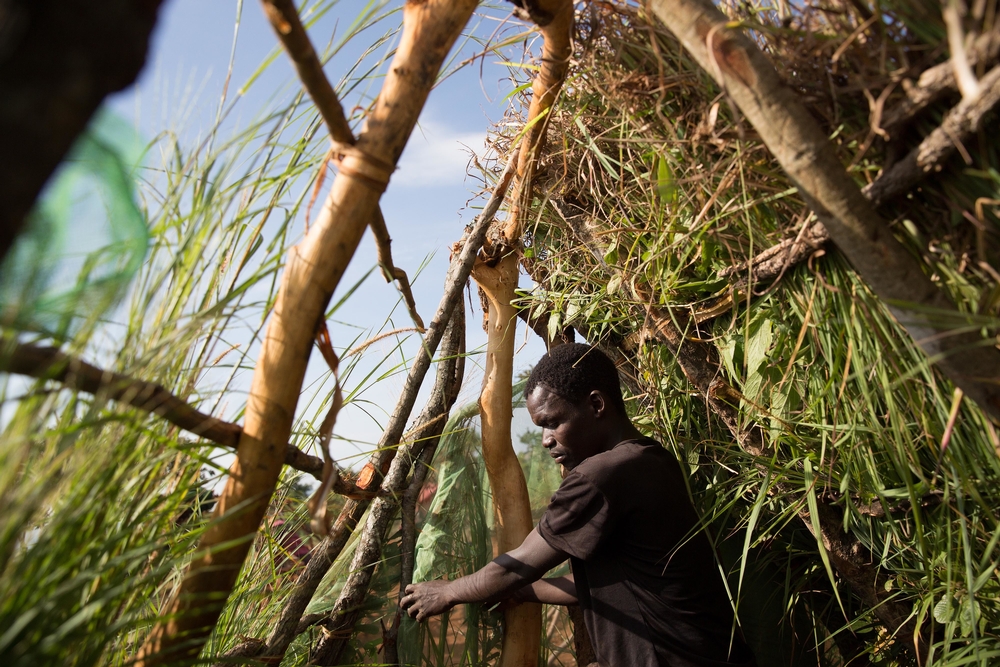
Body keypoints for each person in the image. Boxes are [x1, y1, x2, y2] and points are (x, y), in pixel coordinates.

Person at [401, 344, 756, 667]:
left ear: (596, 405)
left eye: (553, 422)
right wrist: (522, 592)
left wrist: (448, 591)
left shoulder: (599, 477)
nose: (545, 440)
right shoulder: (652, 458)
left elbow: (518, 565)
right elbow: (604, 583)